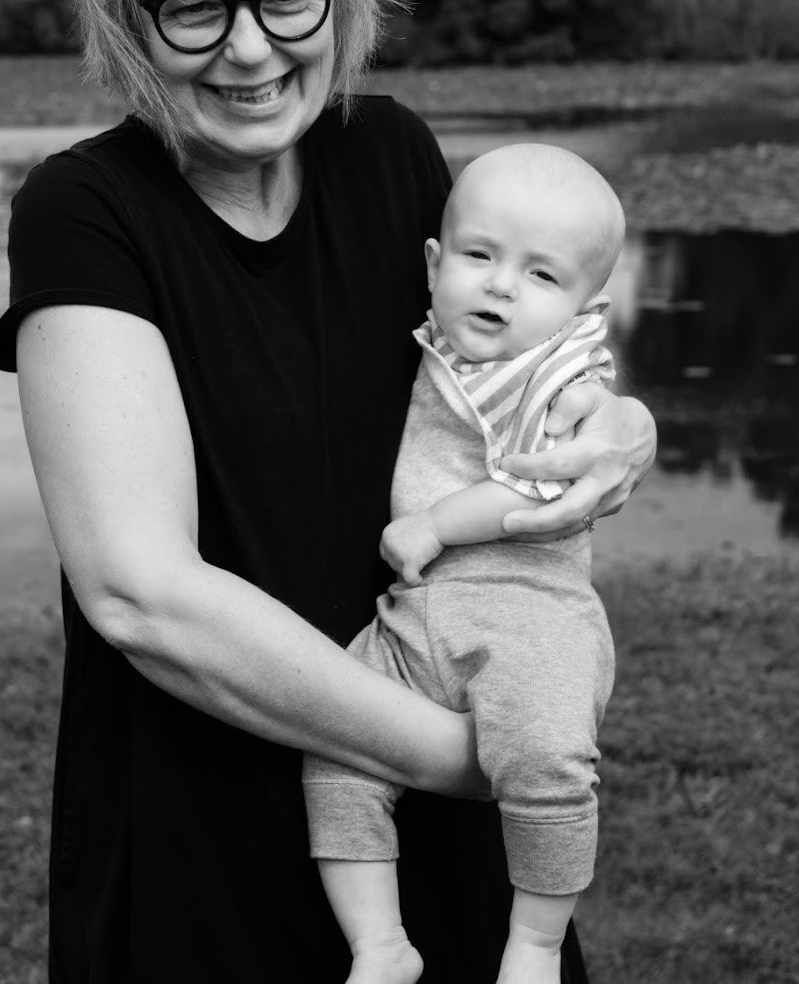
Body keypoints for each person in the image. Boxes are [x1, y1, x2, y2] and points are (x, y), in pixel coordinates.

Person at [0, 0, 656, 983]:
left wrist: (618, 425)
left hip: (433, 831)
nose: (251, 50)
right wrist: (458, 755)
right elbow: (140, 592)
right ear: (127, 14)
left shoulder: (391, 156)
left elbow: (513, 364)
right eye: (195, 5)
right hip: (212, 835)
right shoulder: (86, 213)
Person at [303, 142, 624, 984]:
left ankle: (536, 946)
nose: (502, 285)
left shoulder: (559, 378)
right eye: (480, 256)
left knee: (545, 761)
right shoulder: (438, 345)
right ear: (434, 264)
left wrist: (435, 524)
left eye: (542, 275)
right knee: (337, 755)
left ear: (586, 308)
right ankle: (380, 942)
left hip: (530, 608)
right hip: (415, 618)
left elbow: (538, 482)